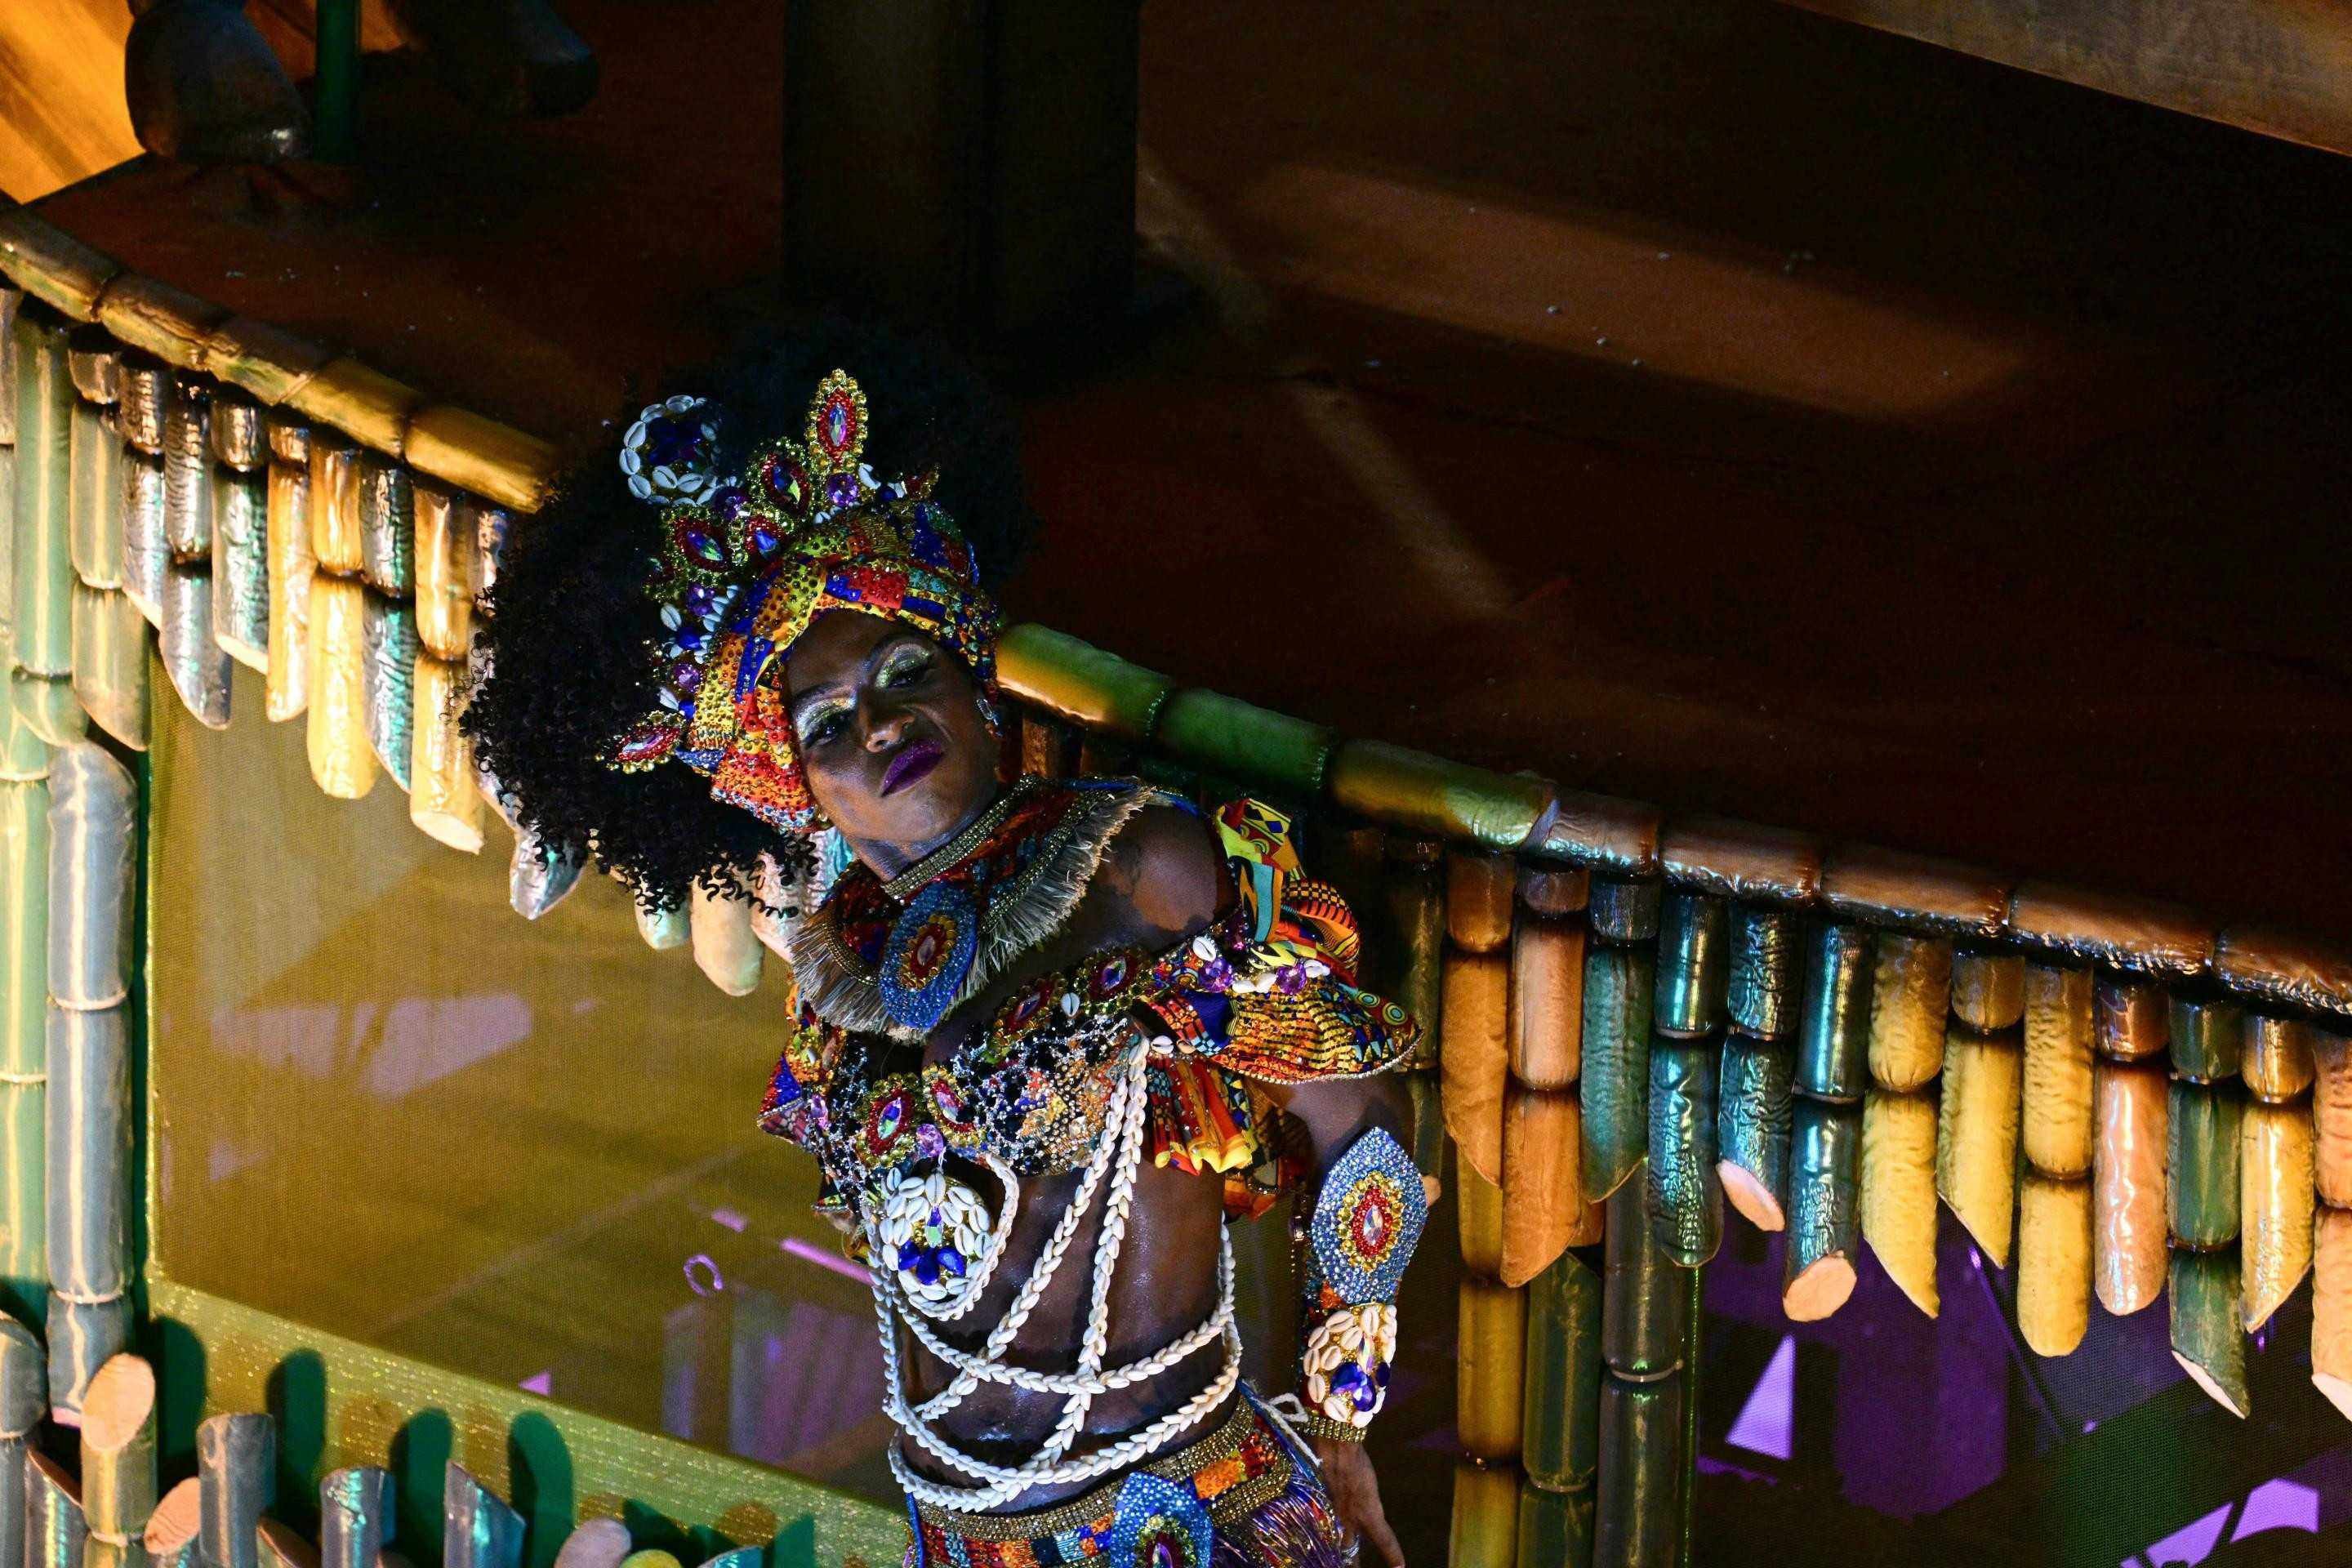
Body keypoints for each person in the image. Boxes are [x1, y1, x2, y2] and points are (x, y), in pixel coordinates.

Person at [461, 323, 1428, 1568]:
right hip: (958, 1537)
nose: (878, 726)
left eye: (905, 668)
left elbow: (1358, 1116)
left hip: (1191, 1520)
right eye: (825, 723)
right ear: (799, 784)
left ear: (975, 684)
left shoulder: (1136, 871)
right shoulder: (838, 986)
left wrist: (1344, 1414)